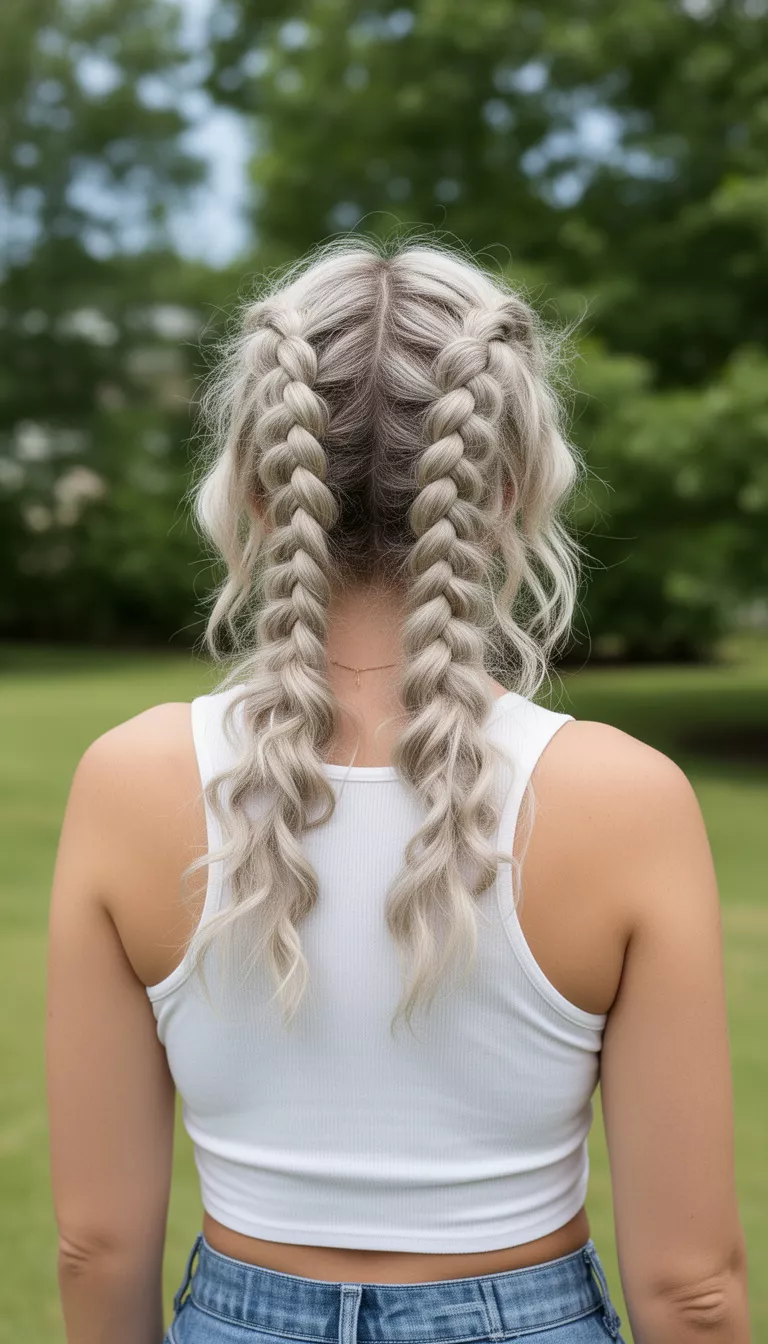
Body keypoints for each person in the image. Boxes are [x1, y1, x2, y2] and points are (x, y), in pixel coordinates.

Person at [46, 235, 750, 1344]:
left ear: (258, 489)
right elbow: (694, 1289)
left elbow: (94, 1245)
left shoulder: (128, 783)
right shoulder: (625, 800)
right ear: (507, 490)